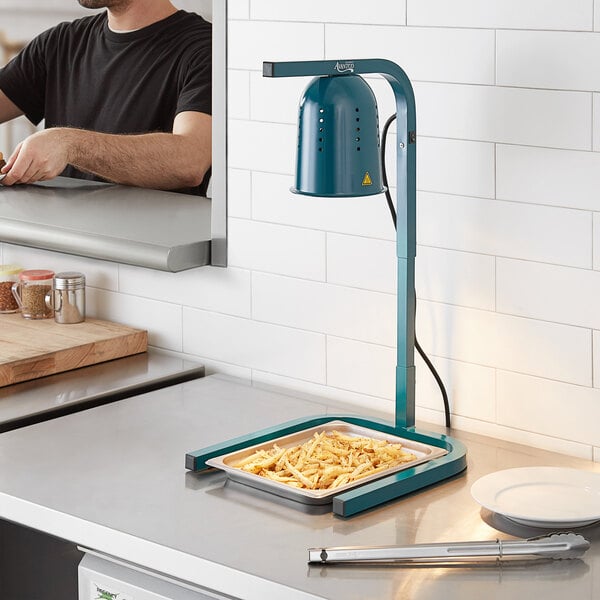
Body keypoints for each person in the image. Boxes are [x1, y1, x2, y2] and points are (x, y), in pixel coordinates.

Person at [0, 0, 212, 195]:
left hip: (153, 235)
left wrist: (70, 145)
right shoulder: (61, 42)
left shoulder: (205, 49)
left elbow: (190, 161)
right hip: (62, 233)